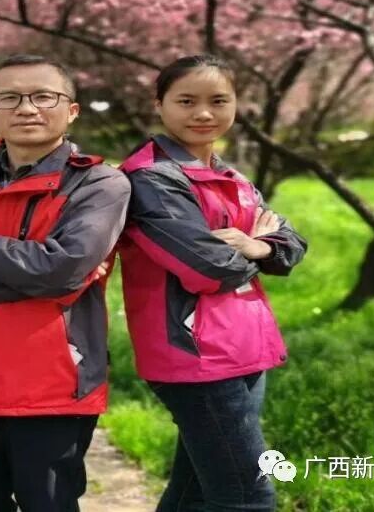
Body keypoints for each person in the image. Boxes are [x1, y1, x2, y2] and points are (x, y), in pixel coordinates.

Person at [0, 54, 131, 512]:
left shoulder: (99, 184)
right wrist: (44, 274)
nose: (27, 108)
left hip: (51, 385)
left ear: (71, 110)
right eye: (10, 98)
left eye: (43, 96)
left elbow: (62, 269)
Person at [117, 54, 308, 512]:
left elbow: (291, 243)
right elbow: (207, 269)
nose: (204, 113)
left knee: (195, 492)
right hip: (195, 354)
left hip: (245, 345)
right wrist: (256, 247)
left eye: (219, 101)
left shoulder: (230, 176)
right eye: (186, 101)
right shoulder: (151, 179)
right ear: (159, 105)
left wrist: (258, 246)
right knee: (248, 495)